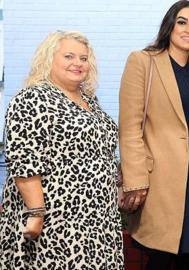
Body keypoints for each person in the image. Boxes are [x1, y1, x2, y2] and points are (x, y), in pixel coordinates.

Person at [0, 30, 123, 269]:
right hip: (56, 223)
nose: (77, 63)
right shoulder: (31, 98)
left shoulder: (89, 100)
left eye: (83, 58)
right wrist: (36, 213)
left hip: (98, 222)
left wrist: (116, 186)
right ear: (49, 59)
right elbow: (23, 159)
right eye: (69, 56)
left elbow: (102, 153)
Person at [118, 1, 189, 269]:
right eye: (182, 22)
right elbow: (129, 127)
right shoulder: (143, 61)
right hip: (160, 178)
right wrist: (135, 178)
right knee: (161, 256)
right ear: (169, 27)